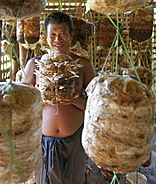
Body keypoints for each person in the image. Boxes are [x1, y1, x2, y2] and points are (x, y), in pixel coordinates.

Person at [23, 11, 96, 184]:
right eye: (53, 34)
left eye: (63, 34)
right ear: (45, 37)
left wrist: (75, 101)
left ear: (71, 36)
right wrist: (40, 100)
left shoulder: (83, 65)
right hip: (43, 141)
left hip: (75, 141)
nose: (58, 39)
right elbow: (22, 105)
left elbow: (97, 105)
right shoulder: (34, 65)